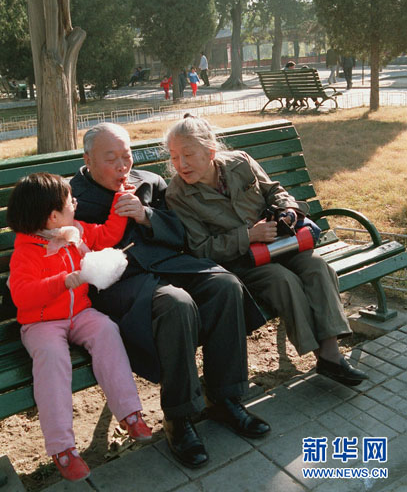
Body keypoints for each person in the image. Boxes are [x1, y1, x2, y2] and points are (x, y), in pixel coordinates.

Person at [70, 123, 270, 470]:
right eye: (111, 159)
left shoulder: (149, 182)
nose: (122, 166)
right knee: (176, 304)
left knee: (224, 285)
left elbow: (182, 234)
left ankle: (225, 397)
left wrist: (147, 216)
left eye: (126, 156)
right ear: (88, 160)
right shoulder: (71, 197)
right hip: (119, 283)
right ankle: (179, 416)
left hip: (168, 265)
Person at [164, 115, 369, 389]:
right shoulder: (178, 194)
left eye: (188, 155)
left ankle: (331, 353)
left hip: (279, 243)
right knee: (283, 281)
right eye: (174, 157)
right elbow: (201, 248)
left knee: (317, 267)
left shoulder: (240, 162)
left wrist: (288, 210)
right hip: (242, 261)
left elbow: (274, 191)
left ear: (210, 152)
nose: (181, 164)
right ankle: (323, 357)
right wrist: (248, 235)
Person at [7, 173, 152, 483]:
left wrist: (119, 200)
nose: (75, 203)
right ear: (52, 216)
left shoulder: (75, 231)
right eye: (69, 201)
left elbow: (109, 235)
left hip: (80, 313)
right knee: (53, 359)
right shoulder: (26, 252)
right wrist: (61, 281)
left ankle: (130, 413)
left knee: (107, 331)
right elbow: (22, 295)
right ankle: (62, 448)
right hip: (41, 323)